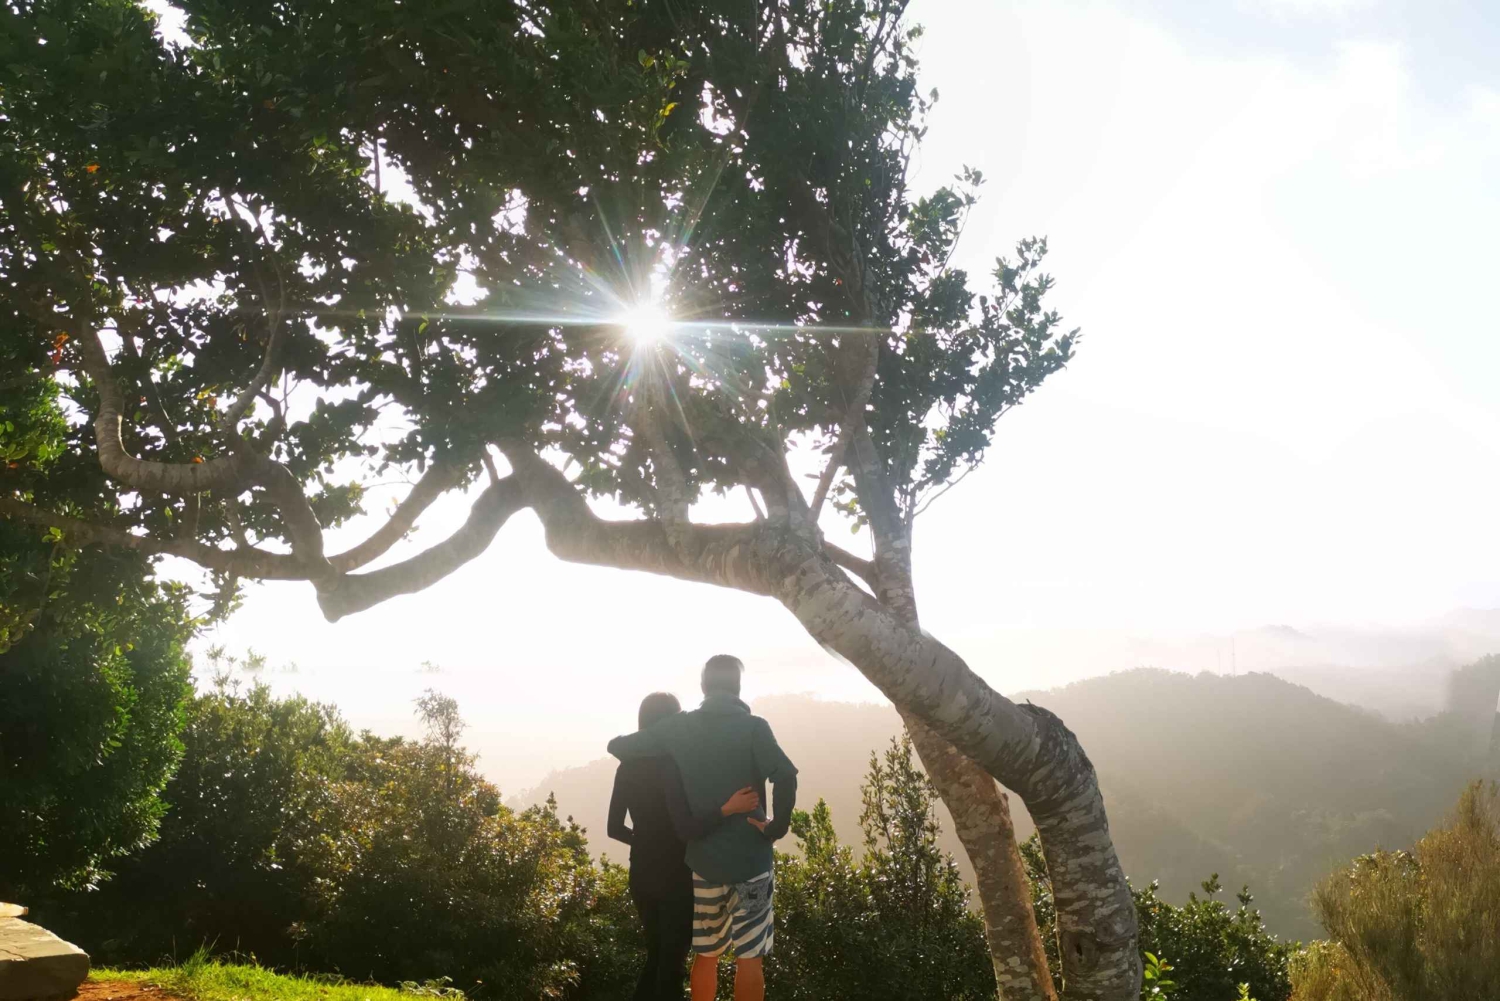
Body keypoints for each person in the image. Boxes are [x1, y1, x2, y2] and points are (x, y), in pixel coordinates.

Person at [608, 656, 798, 1001]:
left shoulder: (680, 727)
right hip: (751, 863)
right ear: (738, 687)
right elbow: (785, 774)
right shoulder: (756, 727)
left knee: (706, 956)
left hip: (704, 865)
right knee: (749, 959)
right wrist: (775, 828)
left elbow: (617, 747)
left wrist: (660, 735)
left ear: (702, 686)